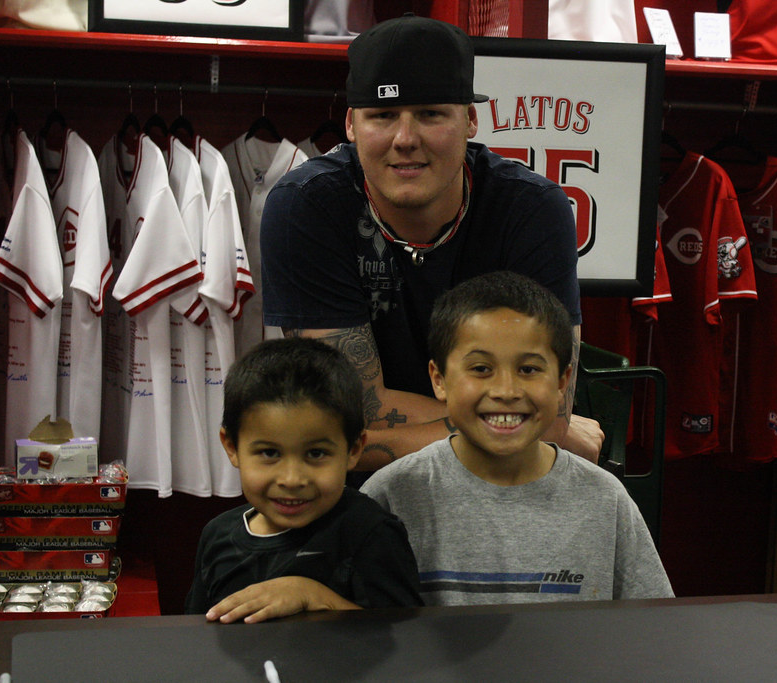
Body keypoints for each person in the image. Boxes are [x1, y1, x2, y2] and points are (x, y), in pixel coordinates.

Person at [259, 13, 604, 470]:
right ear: (350, 124)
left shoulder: (533, 209)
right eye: (383, 115)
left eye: (430, 114)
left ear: (470, 120)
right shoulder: (306, 206)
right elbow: (340, 419)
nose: (405, 139)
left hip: (506, 485)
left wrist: (546, 426)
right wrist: (520, 424)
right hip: (357, 500)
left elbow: (551, 414)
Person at [361, 271, 673, 605]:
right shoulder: (390, 495)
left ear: (562, 381)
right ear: (439, 379)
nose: (506, 391)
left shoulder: (605, 501)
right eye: (481, 369)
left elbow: (652, 630)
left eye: (528, 369)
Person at [185, 337, 423, 622]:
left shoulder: (370, 532)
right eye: (270, 453)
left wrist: (313, 596)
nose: (292, 479)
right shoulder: (217, 535)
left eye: (316, 453)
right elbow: (198, 634)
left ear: (353, 449)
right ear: (232, 447)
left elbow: (407, 637)